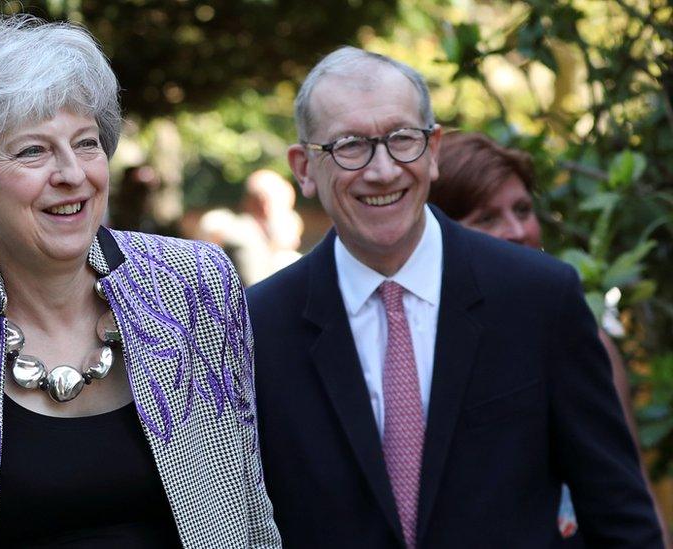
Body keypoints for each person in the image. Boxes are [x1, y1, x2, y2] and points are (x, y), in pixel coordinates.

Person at [0, 15, 279, 548]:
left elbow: (249, 514)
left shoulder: (197, 286)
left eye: (86, 143)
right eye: (33, 150)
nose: (72, 174)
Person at [247, 46, 664, 547]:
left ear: (434, 149)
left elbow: (618, 512)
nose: (383, 170)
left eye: (402, 139)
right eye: (350, 146)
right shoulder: (258, 326)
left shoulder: (538, 298)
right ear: (305, 168)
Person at [430, 130, 669, 546]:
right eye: (486, 218)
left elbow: (630, 493)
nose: (516, 230)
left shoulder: (576, 335)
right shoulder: (410, 350)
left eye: (523, 209)